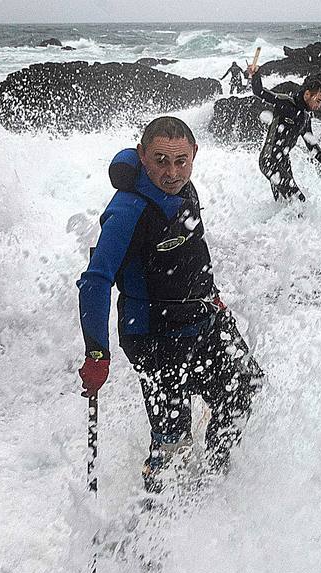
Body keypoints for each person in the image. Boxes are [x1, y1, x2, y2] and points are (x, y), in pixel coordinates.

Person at [76, 116, 262, 491]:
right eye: (160, 160)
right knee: (173, 440)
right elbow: (94, 282)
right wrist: (97, 354)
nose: (172, 172)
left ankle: (213, 479)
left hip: (201, 315)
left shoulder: (185, 188)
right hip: (154, 335)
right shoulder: (129, 211)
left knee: (245, 385)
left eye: (181, 161)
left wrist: (213, 297)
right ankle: (153, 525)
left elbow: (193, 250)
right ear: (142, 156)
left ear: (194, 154)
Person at [247, 61, 321, 202]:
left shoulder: (305, 117)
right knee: (298, 201)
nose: (319, 106)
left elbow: (311, 145)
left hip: (283, 161)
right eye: (318, 101)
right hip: (269, 160)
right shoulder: (285, 103)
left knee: (283, 203)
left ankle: (273, 224)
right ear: (307, 94)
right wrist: (255, 74)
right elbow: (259, 92)